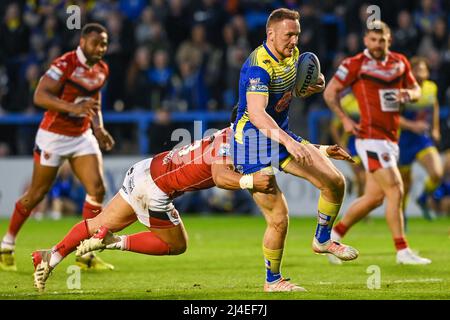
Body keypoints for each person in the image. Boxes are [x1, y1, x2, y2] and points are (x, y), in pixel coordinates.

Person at [31, 107, 353, 292]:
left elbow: (281, 145)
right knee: (177, 244)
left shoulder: (232, 136)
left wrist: (322, 150)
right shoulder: (230, 143)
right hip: (156, 191)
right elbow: (219, 176)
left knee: (95, 224)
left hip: (144, 169)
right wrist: (249, 180)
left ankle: (51, 256)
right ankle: (115, 243)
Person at [232, 8, 359, 292]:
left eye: (297, 34)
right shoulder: (258, 66)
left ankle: (322, 240)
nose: (294, 40)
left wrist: (314, 85)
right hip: (252, 142)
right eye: (289, 35)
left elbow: (301, 85)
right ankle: (273, 281)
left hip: (278, 135)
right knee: (279, 217)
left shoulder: (292, 53)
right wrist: (289, 142)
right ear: (271, 34)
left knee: (336, 181)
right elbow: (256, 113)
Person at [0, 23, 115, 271]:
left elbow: (94, 101)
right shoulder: (64, 64)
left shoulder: (102, 69)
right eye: (96, 42)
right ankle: (7, 245)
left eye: (104, 43)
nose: (101, 48)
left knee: (96, 188)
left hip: (82, 135)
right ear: (83, 42)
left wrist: (99, 127)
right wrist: (74, 109)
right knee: (36, 194)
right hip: (53, 136)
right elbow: (39, 96)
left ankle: (86, 253)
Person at [323, 20, 431, 265]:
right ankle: (402, 251)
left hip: (391, 138)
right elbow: (330, 92)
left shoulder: (400, 62)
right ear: (365, 41)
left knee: (374, 198)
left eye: (382, 40)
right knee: (396, 189)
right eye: (373, 40)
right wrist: (345, 120)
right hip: (370, 137)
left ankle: (333, 238)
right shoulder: (355, 64)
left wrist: (407, 95)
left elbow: (415, 90)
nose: (377, 44)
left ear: (389, 40)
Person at [398, 56, 443, 221]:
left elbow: (435, 105)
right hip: (403, 139)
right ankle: (402, 216)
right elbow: (394, 117)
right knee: (405, 184)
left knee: (437, 173)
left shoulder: (432, 88)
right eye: (417, 70)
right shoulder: (404, 90)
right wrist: (412, 125)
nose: (421, 73)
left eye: (424, 69)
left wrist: (436, 128)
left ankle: (424, 198)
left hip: (422, 139)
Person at [329, 89, 366, 198]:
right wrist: (341, 145)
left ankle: (353, 182)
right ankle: (361, 209)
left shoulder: (367, 101)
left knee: (364, 178)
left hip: (366, 143)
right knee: (362, 177)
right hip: (351, 144)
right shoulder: (345, 102)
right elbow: (334, 127)